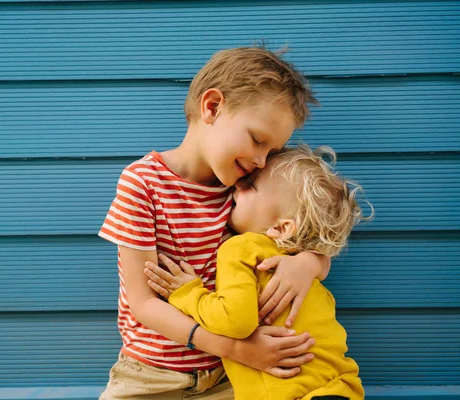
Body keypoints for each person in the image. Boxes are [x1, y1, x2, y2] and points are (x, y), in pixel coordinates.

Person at [98, 46, 328, 399]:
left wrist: (309, 263)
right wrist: (237, 349)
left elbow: (302, 235)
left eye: (270, 152)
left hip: (230, 377)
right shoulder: (142, 183)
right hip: (151, 377)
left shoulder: (248, 193)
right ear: (213, 107)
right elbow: (144, 305)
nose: (261, 161)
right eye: (257, 140)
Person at [145, 145, 372, 400]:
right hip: (340, 383)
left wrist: (187, 293)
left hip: (286, 392)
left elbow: (235, 322)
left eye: (251, 185)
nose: (237, 185)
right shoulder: (308, 269)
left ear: (282, 227)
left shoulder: (241, 248)